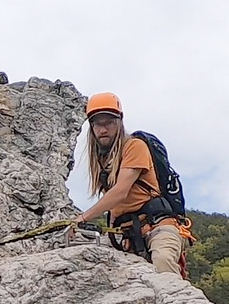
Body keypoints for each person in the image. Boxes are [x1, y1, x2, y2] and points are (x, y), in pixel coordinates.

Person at [69, 92, 188, 275]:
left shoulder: (135, 146)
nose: (103, 129)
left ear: (119, 121)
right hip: (127, 232)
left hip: (158, 226)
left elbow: (120, 192)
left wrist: (83, 218)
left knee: (163, 260)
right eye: (97, 123)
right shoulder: (103, 159)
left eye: (109, 122)